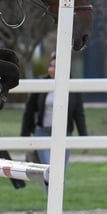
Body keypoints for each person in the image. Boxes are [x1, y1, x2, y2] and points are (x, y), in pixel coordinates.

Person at [19, 52, 88, 185]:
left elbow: (79, 115)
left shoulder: (73, 87)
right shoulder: (41, 84)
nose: (51, 69)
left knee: (60, 174)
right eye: (51, 66)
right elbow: (29, 111)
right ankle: (52, 204)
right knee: (49, 171)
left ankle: (57, 205)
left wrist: (83, 138)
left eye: (56, 66)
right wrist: (25, 135)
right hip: (42, 133)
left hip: (64, 135)